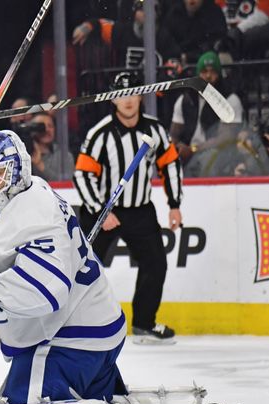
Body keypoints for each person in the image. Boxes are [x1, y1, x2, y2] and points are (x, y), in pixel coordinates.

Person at [0, 130, 238, 404]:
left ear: (16, 172)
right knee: (107, 401)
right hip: (91, 331)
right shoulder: (23, 197)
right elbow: (17, 269)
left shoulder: (33, 214)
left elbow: (44, 291)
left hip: (67, 342)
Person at [73, 72, 183, 344]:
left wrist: (174, 204)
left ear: (141, 95)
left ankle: (144, 324)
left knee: (155, 264)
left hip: (139, 210)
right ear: (113, 99)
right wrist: (101, 210)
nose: (128, 100)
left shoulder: (155, 130)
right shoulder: (100, 134)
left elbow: (169, 165)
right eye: (121, 94)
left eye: (133, 93)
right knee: (84, 267)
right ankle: (73, 322)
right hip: (102, 211)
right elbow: (83, 174)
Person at [169, 51, 243, 170]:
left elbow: (226, 138)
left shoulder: (229, 100)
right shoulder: (185, 100)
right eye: (204, 72)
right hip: (187, 155)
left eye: (213, 72)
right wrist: (176, 148)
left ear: (219, 75)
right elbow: (174, 134)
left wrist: (194, 150)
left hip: (218, 156)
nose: (208, 76)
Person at [27, 112, 75, 182]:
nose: (47, 130)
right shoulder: (23, 154)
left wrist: (39, 165)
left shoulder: (65, 157)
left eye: (50, 126)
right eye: (41, 127)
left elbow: (67, 185)